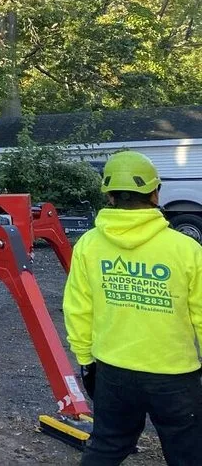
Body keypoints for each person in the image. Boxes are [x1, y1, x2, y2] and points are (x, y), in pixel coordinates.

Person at [63, 150, 202, 465]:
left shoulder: (88, 245)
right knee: (188, 452)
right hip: (174, 377)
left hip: (113, 371)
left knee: (107, 445)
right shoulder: (186, 249)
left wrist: (86, 361)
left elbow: (78, 309)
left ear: (109, 195)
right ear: (155, 193)